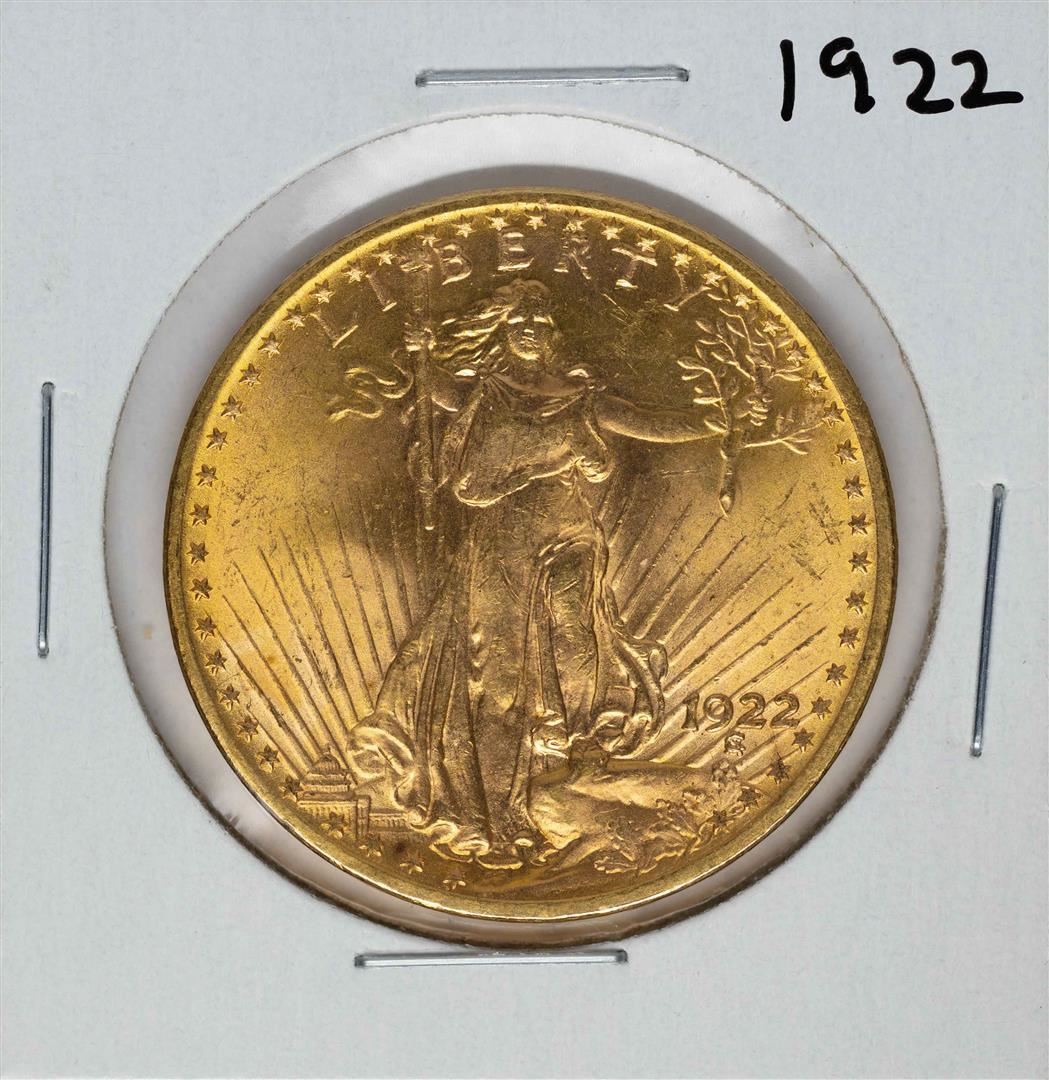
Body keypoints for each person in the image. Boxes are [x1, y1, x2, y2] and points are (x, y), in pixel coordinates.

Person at [346, 279, 715, 870]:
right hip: (503, 544)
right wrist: (415, 348)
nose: (528, 332)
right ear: (503, 333)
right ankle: (498, 810)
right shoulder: (485, 392)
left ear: (552, 333)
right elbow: (427, 384)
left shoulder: (582, 396)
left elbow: (651, 423)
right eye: (517, 323)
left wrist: (723, 420)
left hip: (571, 534)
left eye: (538, 323)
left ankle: (563, 753)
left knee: (578, 646)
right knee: (497, 671)